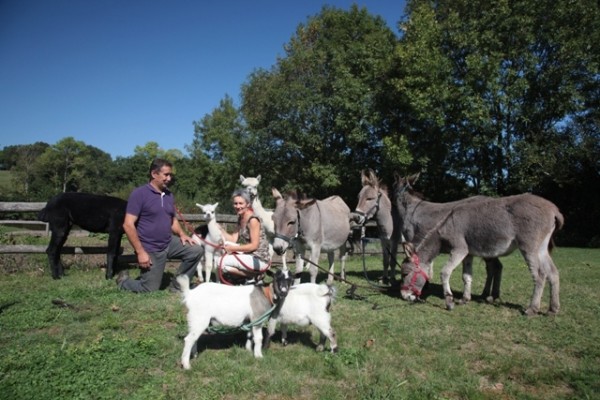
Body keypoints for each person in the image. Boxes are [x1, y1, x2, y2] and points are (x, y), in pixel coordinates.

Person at [116, 158, 203, 293]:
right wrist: (140, 252)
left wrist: (182, 234)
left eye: (170, 175)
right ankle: (123, 282)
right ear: (154, 174)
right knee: (149, 289)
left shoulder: (169, 195)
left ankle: (178, 286)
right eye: (166, 175)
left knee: (195, 250)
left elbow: (172, 220)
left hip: (168, 242)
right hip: (151, 247)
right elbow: (128, 225)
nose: (169, 178)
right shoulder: (139, 194)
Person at [216, 189, 271, 284]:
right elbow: (233, 239)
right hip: (249, 255)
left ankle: (254, 275)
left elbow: (254, 246)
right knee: (225, 257)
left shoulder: (253, 220)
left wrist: (232, 249)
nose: (238, 206)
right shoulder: (240, 218)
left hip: (259, 259)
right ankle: (249, 277)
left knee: (220, 262)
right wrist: (219, 228)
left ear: (248, 204)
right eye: (235, 203)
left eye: (241, 203)